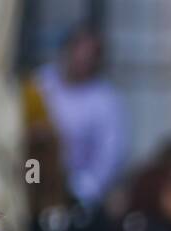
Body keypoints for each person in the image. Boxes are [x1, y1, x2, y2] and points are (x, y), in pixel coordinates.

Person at [34, 23, 130, 211]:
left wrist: (83, 189)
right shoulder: (40, 83)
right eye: (78, 51)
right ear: (66, 51)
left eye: (89, 56)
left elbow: (110, 154)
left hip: (82, 196)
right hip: (39, 185)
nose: (82, 60)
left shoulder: (106, 99)